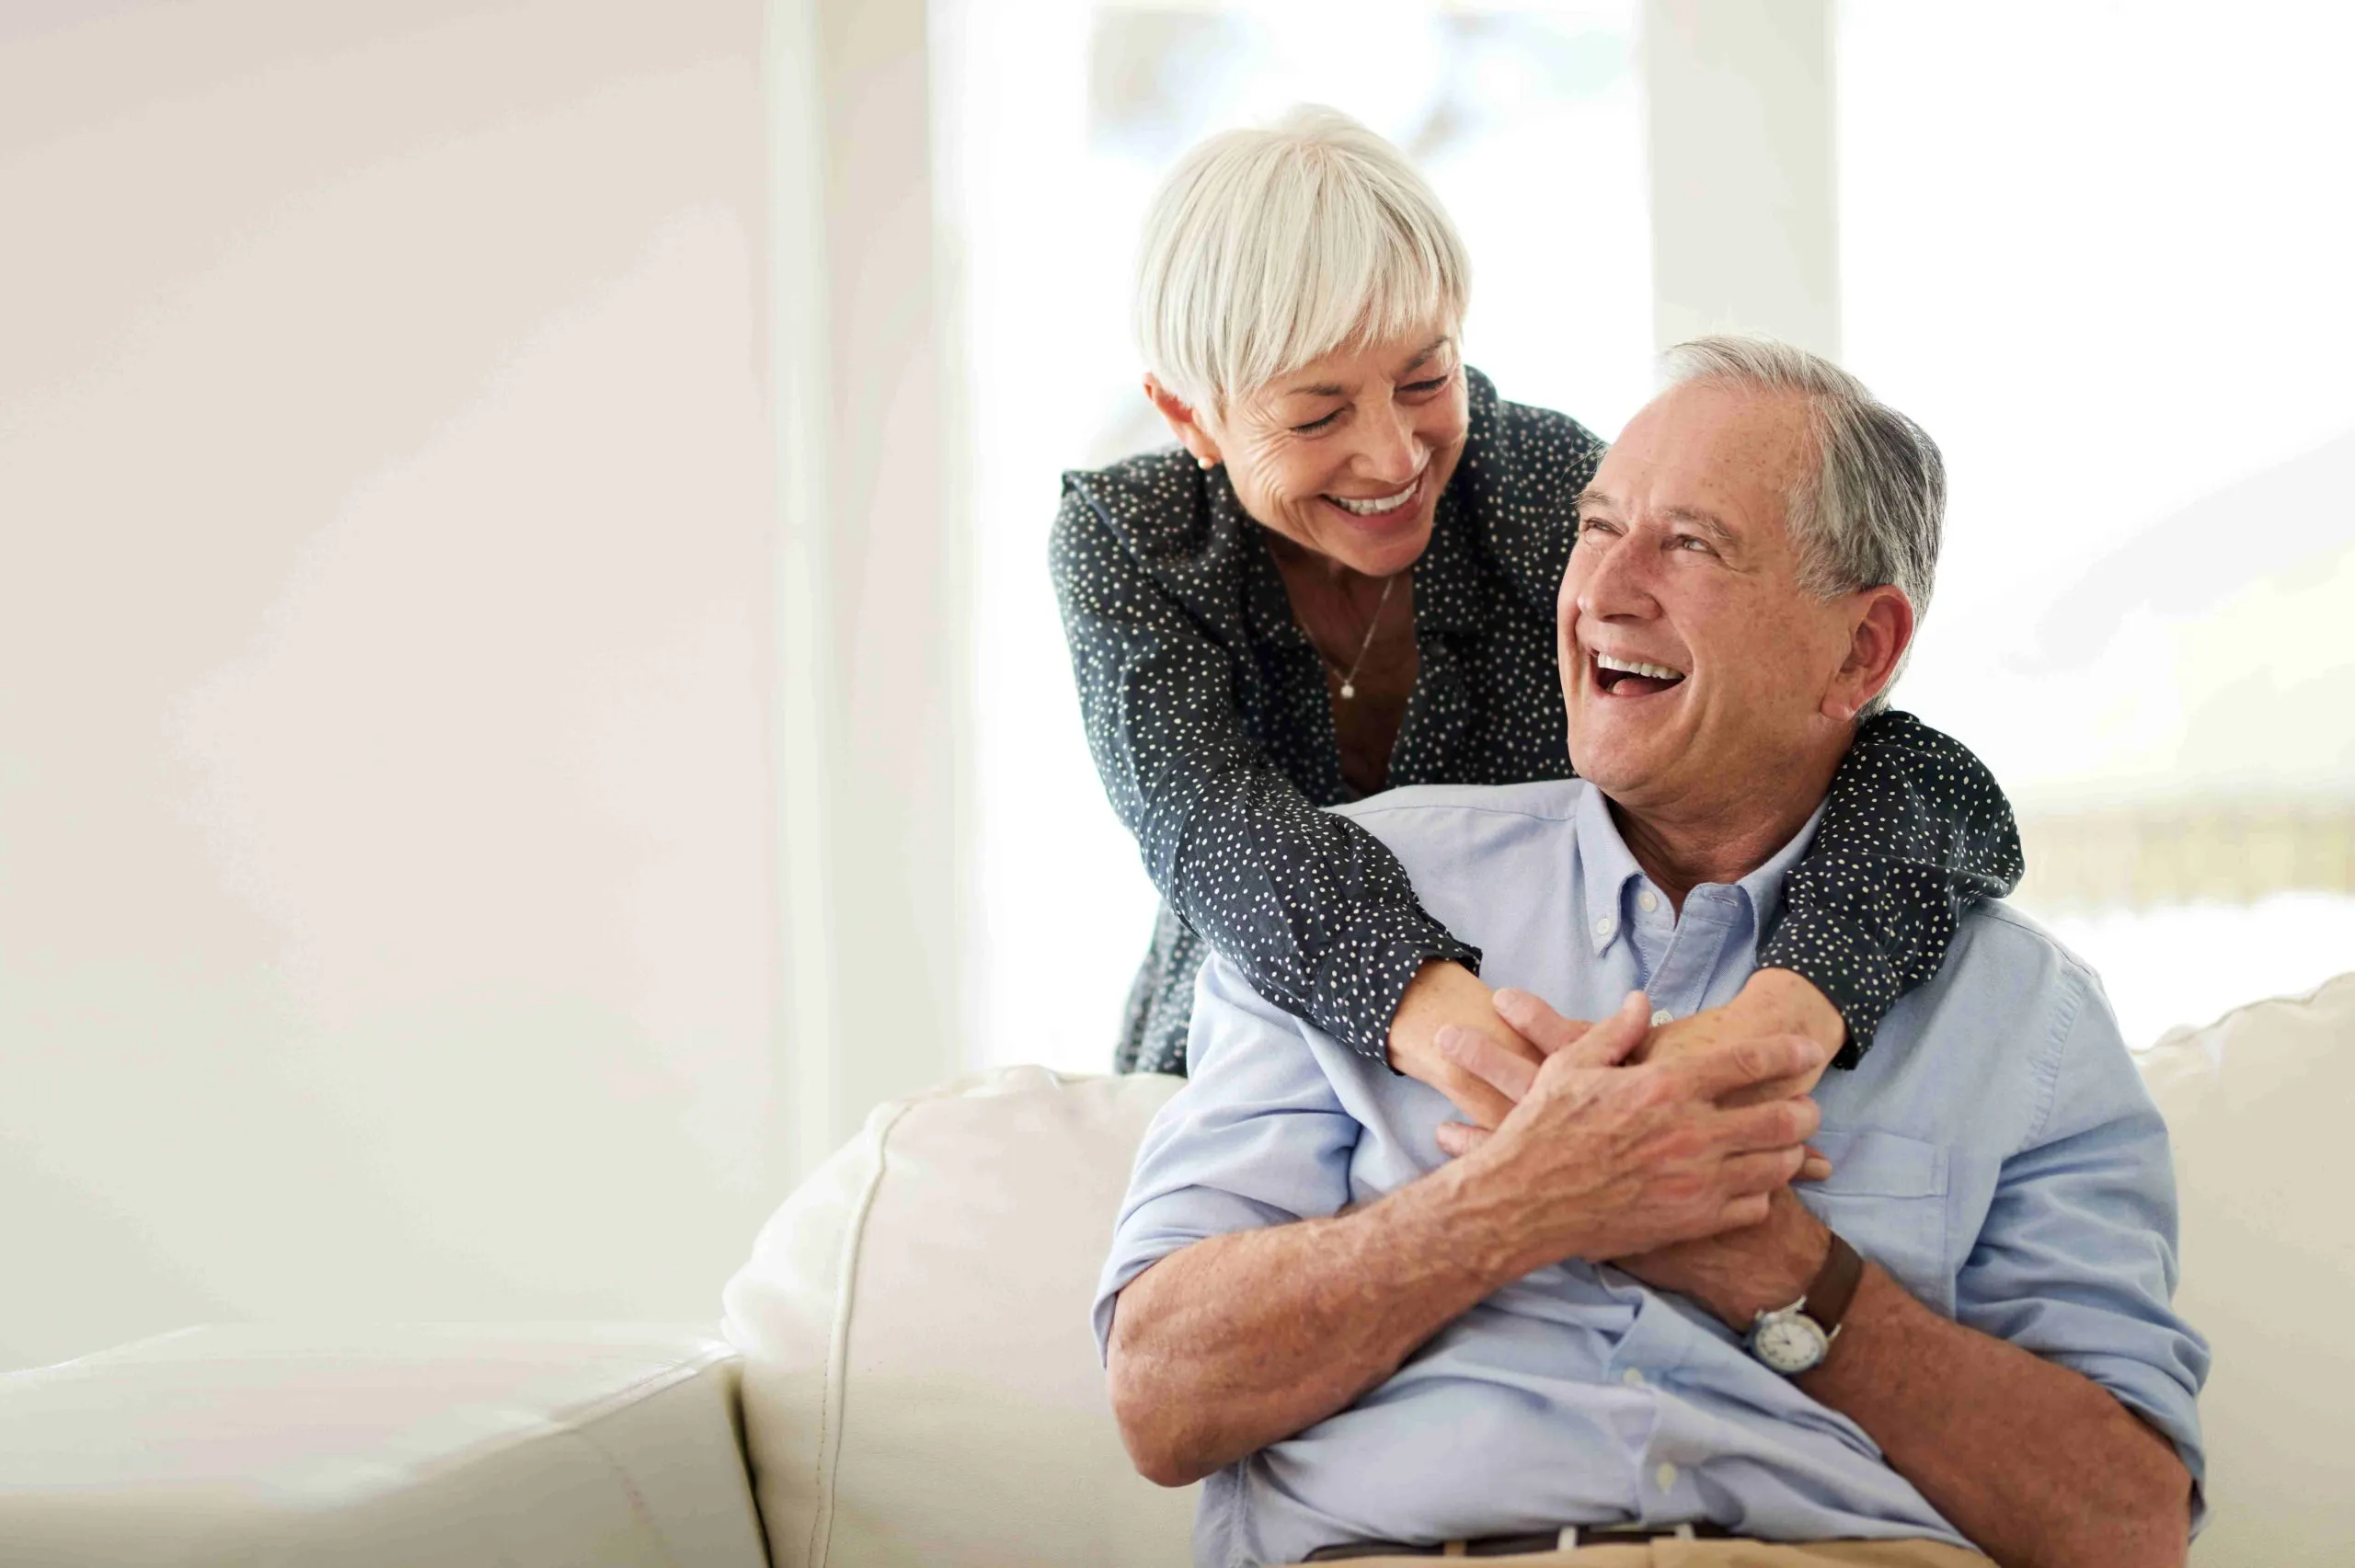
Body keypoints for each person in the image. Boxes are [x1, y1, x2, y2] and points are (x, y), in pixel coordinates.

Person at [1094, 338, 2207, 1568]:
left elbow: (2129, 1525)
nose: (1602, 592)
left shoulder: (2025, 1012)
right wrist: (1512, 1204)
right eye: (1595, 529)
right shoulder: (1350, 896)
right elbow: (1161, 1394)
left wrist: (1779, 1268)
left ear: (1862, 651)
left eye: (1690, 544)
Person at [1051, 107, 2021, 1130]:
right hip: (1244, 1058)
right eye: (1316, 414)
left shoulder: (1552, 490)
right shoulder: (1135, 542)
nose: (1393, 456)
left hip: (1570, 1034)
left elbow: (1893, 768)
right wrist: (1487, 1058)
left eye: (1427, 378)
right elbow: (1215, 835)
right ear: (1186, 415)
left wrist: (1775, 1018)